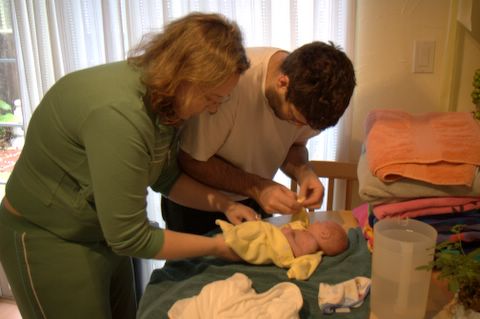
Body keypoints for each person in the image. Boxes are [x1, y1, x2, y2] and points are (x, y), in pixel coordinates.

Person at [0, 13, 252, 319]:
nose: (213, 109)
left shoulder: (165, 100)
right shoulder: (120, 115)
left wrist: (224, 204)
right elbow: (131, 237)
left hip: (101, 231)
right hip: (49, 237)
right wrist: (217, 247)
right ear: (186, 77)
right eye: (211, 98)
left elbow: (167, 178)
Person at [162, 41, 357, 235]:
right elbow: (191, 160)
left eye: (307, 126)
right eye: (295, 119)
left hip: (252, 198)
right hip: (195, 201)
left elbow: (294, 146)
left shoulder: (312, 104)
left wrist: (303, 172)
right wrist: (258, 187)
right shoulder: (232, 83)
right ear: (283, 83)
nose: (300, 128)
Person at [216, 217, 349, 280]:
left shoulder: (312, 242)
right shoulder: (307, 234)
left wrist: (289, 236)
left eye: (321, 222)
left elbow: (298, 254)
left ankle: (234, 236)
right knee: (258, 230)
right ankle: (235, 235)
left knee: (259, 235)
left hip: (276, 244)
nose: (316, 222)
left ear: (324, 234)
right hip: (275, 236)